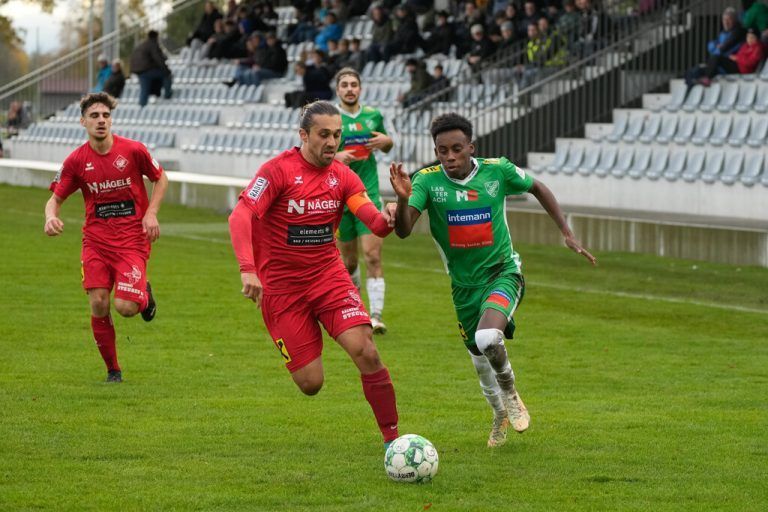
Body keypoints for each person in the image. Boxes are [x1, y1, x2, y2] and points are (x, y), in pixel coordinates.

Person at [388, 112, 596, 448]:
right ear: (436, 151)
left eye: (457, 148)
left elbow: (538, 187)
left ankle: (511, 392)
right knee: (478, 357)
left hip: (503, 273)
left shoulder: (496, 170)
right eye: (443, 151)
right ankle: (498, 412)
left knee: (488, 337)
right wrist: (401, 198)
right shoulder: (426, 182)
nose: (451, 156)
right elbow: (403, 231)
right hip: (463, 288)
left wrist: (567, 233)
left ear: (471, 146)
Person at [228, 100, 400, 449]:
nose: (332, 143)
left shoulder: (343, 177)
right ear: (303, 135)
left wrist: (395, 209)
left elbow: (376, 225)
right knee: (311, 383)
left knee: (366, 350)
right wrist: (248, 270)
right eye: (324, 135)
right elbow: (240, 216)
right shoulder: (276, 172)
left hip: (328, 277)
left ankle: (393, 442)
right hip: (282, 289)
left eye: (337, 135)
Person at [44, 92, 168, 383]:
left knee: (125, 308)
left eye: (106, 116)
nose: (101, 121)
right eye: (95, 116)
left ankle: (144, 296)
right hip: (96, 243)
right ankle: (113, 370)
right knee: (99, 302)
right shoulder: (76, 161)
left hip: (132, 242)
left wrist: (151, 213)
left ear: (111, 120)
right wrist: (50, 217)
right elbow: (54, 200)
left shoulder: (133, 150)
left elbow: (160, 178)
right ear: (83, 121)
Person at [333, 68, 394, 335]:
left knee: (372, 255)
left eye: (353, 84)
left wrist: (386, 141)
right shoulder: (331, 119)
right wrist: (335, 158)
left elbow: (387, 144)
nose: (349, 89)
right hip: (338, 196)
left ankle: (377, 315)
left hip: (365, 193)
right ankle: (356, 310)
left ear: (360, 88)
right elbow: (311, 153)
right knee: (349, 263)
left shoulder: (373, 116)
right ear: (338, 90)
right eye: (344, 84)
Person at [129, 30, 173, 107]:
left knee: (144, 90)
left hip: (138, 71)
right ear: (156, 37)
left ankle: (142, 106)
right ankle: (167, 95)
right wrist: (166, 70)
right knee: (166, 75)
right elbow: (158, 58)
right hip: (146, 70)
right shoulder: (153, 44)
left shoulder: (141, 44)